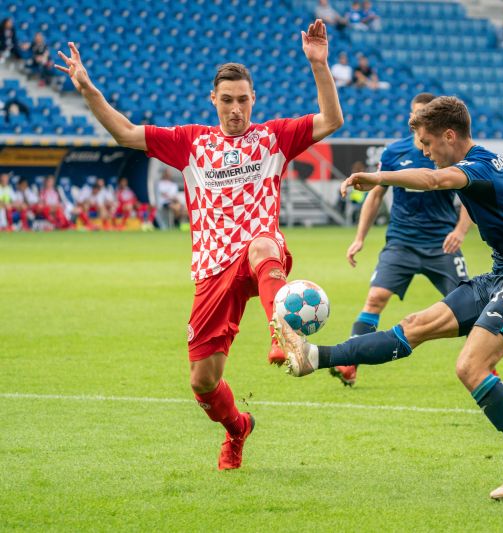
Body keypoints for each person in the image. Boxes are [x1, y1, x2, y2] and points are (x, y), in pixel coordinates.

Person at [55, 19, 343, 470]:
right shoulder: (191, 142)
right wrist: (89, 90)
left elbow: (331, 119)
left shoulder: (272, 137)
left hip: (259, 253)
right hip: (211, 270)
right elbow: (126, 134)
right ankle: (237, 429)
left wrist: (319, 65)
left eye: (243, 100)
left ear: (254, 100)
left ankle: (282, 331)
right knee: (203, 382)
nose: (235, 109)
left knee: (263, 245)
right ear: (214, 100)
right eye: (227, 100)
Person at [273, 96, 503, 500]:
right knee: (415, 326)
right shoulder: (492, 160)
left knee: (470, 366)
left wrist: (378, 178)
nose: (425, 153)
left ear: (449, 135)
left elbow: (432, 181)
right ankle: (314, 357)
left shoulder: (474, 167)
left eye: (427, 144)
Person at [332, 93, 473, 387]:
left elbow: (471, 199)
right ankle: (350, 362)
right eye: (416, 113)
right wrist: (360, 238)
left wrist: (459, 231)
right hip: (401, 242)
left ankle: (483, 364)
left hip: (441, 244)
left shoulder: (447, 154)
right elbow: (375, 196)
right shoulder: (394, 153)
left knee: (470, 306)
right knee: (375, 298)